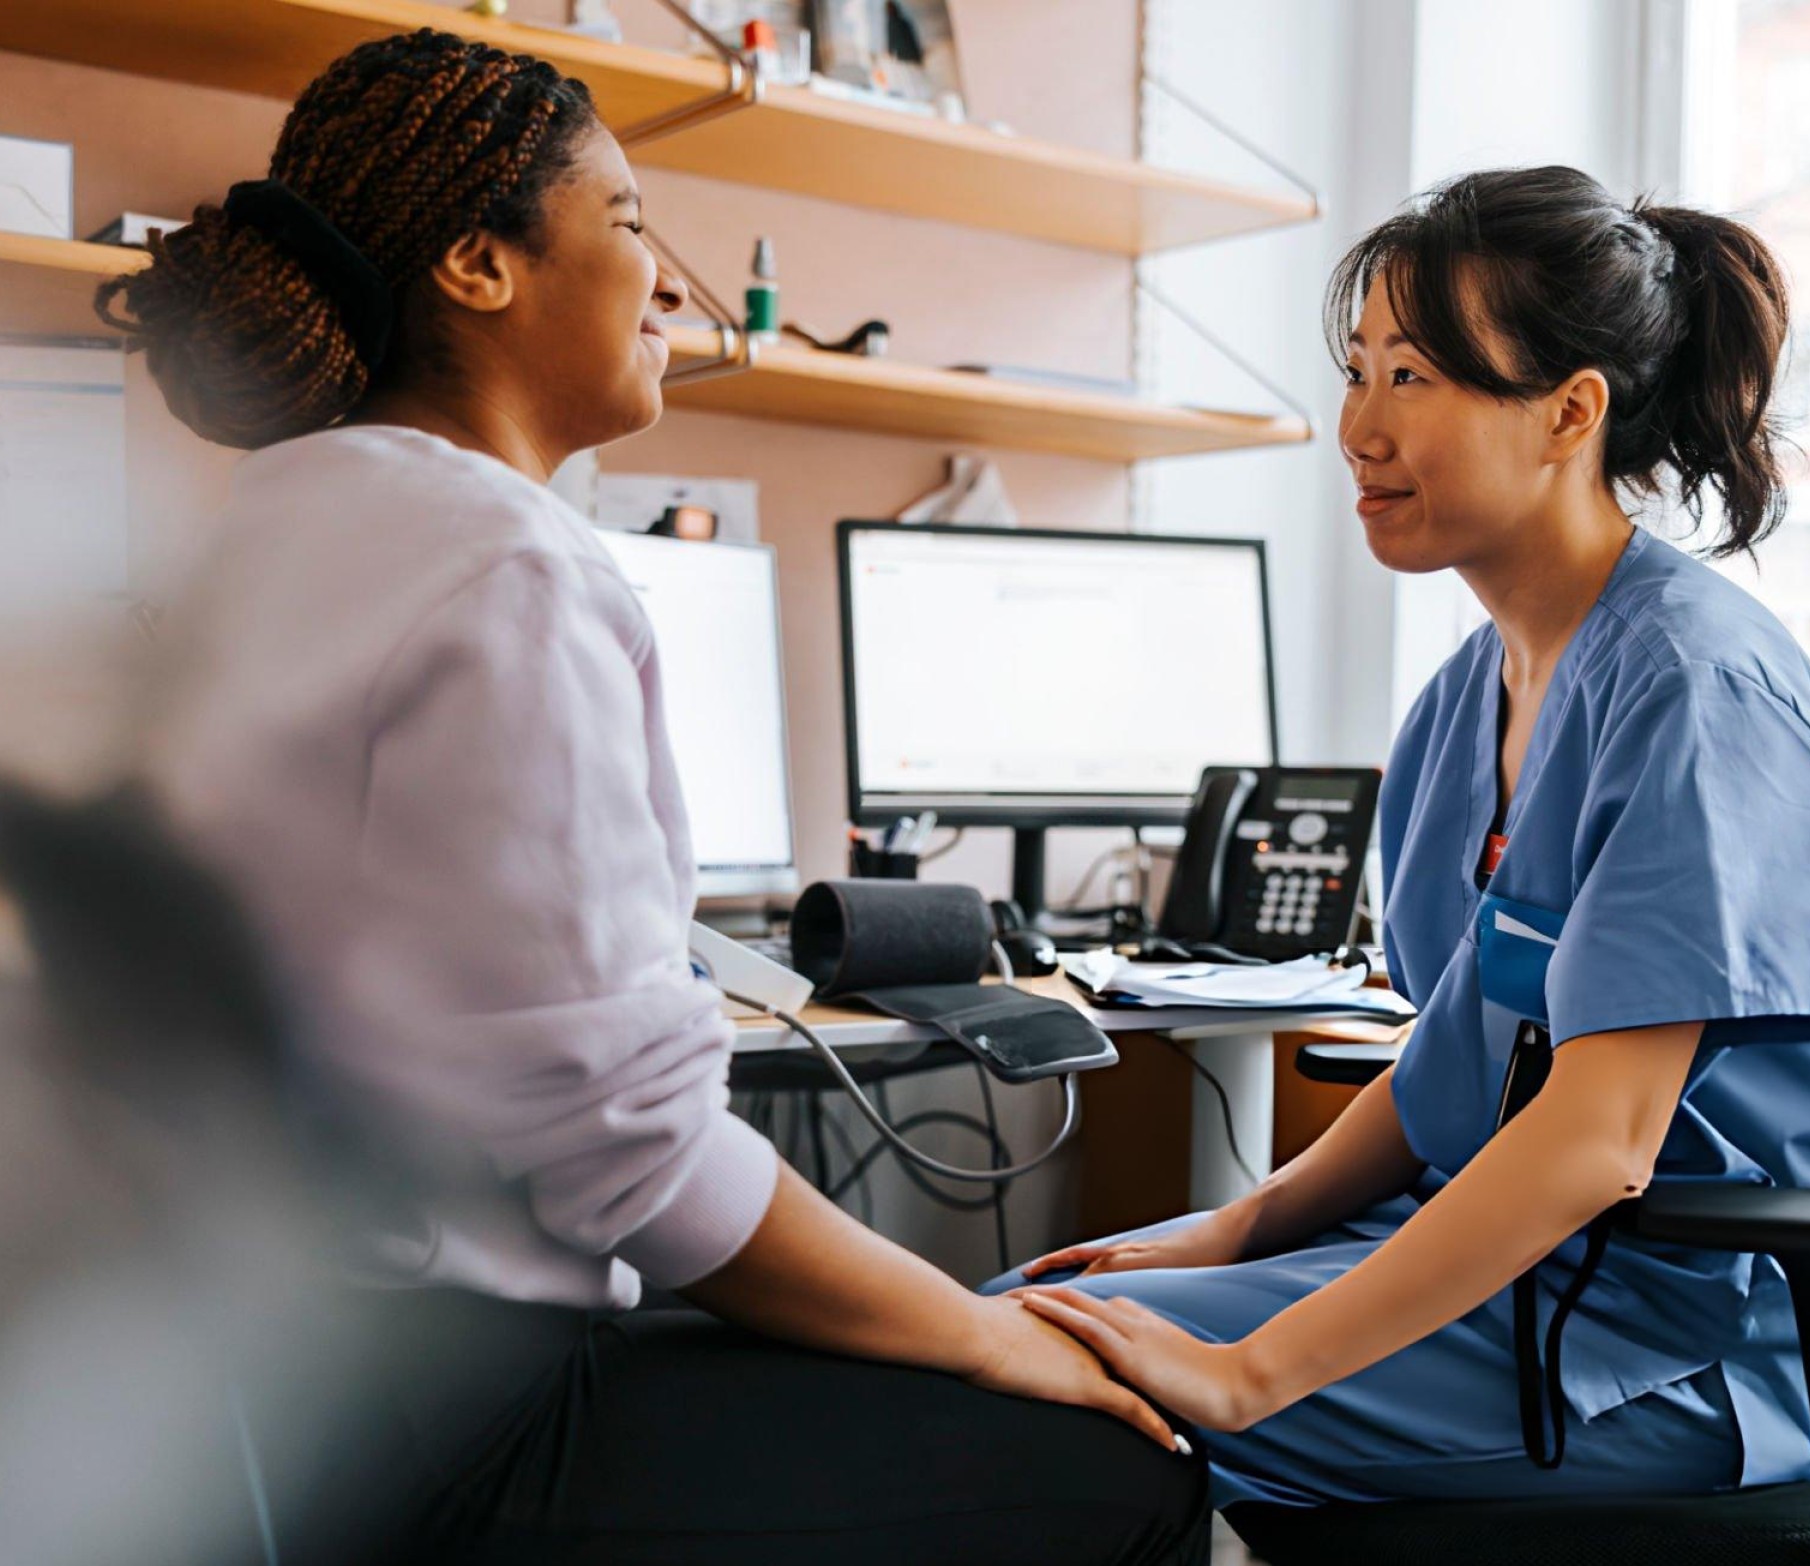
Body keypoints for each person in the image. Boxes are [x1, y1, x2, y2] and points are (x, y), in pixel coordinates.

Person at [100, 28, 1209, 1566]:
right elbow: (635, 1162)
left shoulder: (261, 530)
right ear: (479, 267)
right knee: (1120, 1468)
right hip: (451, 1412)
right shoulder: (507, 566)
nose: (664, 279)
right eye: (624, 222)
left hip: (271, 1375)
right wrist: (980, 1332)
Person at [991, 165, 1810, 1510]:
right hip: (1511, 1274)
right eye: (1356, 371)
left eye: (1411, 378)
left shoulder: (1696, 689)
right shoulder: (1468, 697)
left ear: (1568, 413)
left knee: (1034, 1394)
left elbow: (1597, 1140)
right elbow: (1449, 1066)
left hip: (1670, 1339)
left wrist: (1251, 1368)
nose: (1357, 426)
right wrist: (1232, 1227)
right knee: (1001, 1315)